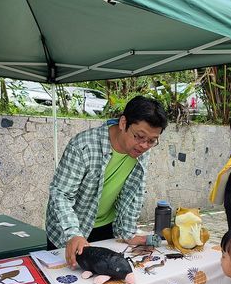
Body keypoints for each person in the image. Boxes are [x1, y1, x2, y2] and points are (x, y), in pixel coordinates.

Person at [45, 96, 168, 266]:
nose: (144, 145)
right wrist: (74, 234)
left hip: (107, 229)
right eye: (139, 136)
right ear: (123, 123)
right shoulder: (84, 145)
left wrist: (129, 234)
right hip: (70, 230)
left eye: (152, 141)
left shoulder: (142, 150)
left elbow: (134, 192)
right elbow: (61, 194)